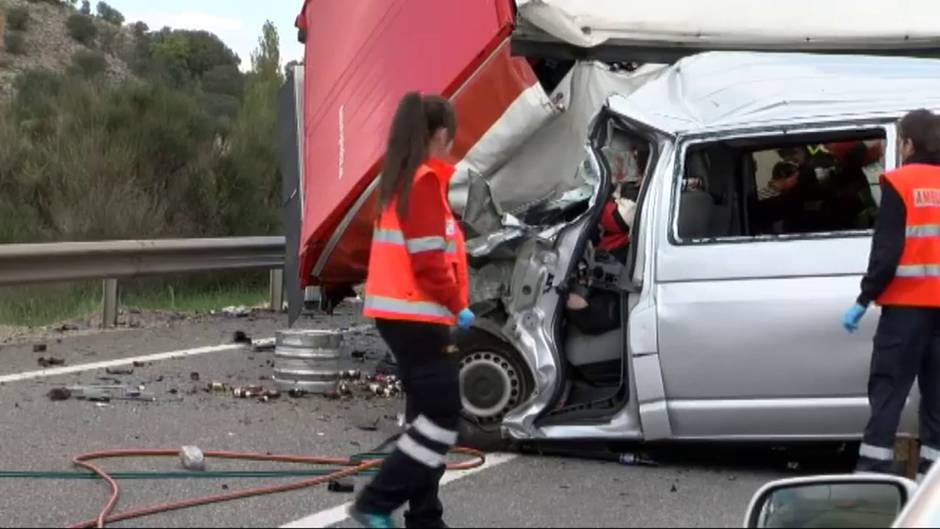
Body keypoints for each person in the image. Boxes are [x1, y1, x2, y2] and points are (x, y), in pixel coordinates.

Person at [351, 92, 474, 529]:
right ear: (440, 135)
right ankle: (376, 502)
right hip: (418, 318)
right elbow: (427, 262)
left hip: (406, 317)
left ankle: (425, 516)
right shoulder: (422, 184)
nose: (452, 147)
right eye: (451, 138)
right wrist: (459, 306)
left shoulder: (403, 182)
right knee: (442, 417)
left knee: (424, 417)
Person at [842, 109, 940, 482]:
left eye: (901, 141)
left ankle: (873, 476)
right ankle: (931, 485)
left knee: (889, 393)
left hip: (906, 310)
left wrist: (863, 299)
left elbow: (887, 252)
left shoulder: (901, 184)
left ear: (909, 144)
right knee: (937, 402)